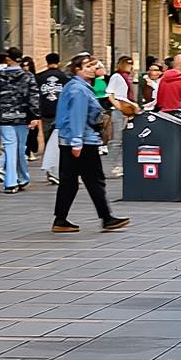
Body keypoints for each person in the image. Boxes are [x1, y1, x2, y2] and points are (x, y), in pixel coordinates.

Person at [53, 54, 129, 233]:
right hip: (82, 141)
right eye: (88, 65)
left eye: (94, 65)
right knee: (94, 180)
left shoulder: (79, 86)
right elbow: (77, 116)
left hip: (74, 140)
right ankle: (106, 218)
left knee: (70, 181)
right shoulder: (78, 90)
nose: (93, 68)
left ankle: (61, 219)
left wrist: (101, 74)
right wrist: (77, 143)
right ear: (77, 69)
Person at [0, 47, 39, 194]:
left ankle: (11, 181)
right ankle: (22, 177)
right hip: (22, 116)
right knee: (20, 148)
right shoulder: (28, 76)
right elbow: (34, 97)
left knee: (9, 148)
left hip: (5, 116)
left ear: (8, 59)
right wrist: (35, 116)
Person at [37, 53, 69, 185]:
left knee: (47, 141)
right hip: (60, 113)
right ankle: (56, 169)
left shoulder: (39, 77)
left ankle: (50, 169)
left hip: (45, 112)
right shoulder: (65, 78)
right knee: (59, 143)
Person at [105, 57, 138, 175]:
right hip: (120, 109)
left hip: (127, 109)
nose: (130, 66)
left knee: (124, 139)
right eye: (128, 64)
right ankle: (112, 166)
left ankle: (120, 164)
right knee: (117, 140)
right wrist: (119, 106)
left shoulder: (127, 77)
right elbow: (110, 94)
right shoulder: (117, 76)